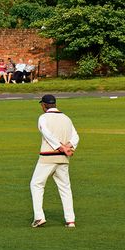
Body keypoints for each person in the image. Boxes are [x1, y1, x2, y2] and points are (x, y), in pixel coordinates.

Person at [31, 94, 78, 228]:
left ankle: (39, 217)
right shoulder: (66, 118)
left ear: (44, 105)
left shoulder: (43, 118)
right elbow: (75, 137)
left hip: (47, 157)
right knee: (65, 188)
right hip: (63, 158)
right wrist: (68, 147)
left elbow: (47, 134)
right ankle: (70, 220)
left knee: (36, 184)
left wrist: (61, 147)